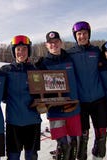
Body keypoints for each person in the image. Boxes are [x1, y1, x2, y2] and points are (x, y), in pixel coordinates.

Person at [35, 31, 82, 160]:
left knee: (73, 144)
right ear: (46, 45)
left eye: (56, 42)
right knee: (63, 145)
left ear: (60, 42)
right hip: (55, 111)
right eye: (50, 43)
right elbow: (35, 84)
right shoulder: (43, 63)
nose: (53, 45)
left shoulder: (70, 58)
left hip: (73, 108)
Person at [67, 21, 107, 160]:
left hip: (98, 99)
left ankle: (97, 157)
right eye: (79, 34)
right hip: (81, 101)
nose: (82, 36)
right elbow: (57, 62)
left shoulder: (96, 51)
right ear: (75, 36)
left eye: (84, 33)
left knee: (102, 134)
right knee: (83, 136)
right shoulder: (70, 53)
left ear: (89, 34)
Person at [0, 35, 42, 160]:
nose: (21, 52)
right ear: (14, 52)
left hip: (33, 121)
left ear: (28, 51)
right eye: (18, 49)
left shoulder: (35, 70)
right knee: (13, 156)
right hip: (14, 122)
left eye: (24, 49)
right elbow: (1, 95)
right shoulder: (6, 70)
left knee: (31, 155)